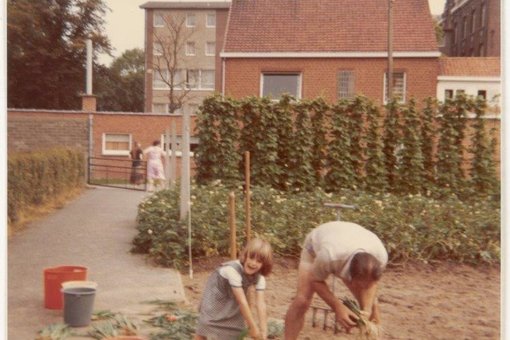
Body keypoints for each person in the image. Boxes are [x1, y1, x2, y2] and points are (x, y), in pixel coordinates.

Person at [284, 221, 388, 339]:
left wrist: (367, 310)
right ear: (348, 278)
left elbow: (372, 284)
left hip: (352, 239)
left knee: (373, 307)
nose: (363, 287)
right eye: (359, 284)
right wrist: (337, 307)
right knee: (302, 300)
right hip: (316, 245)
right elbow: (315, 280)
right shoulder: (329, 256)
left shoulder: (381, 257)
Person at [194, 238, 274, 340]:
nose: (253, 263)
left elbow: (261, 304)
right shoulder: (232, 270)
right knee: (206, 327)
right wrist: (253, 328)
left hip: (232, 301)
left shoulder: (260, 277)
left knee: (234, 328)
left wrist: (263, 331)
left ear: (264, 264)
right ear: (245, 255)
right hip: (215, 299)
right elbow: (242, 301)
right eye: (251, 258)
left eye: (259, 261)